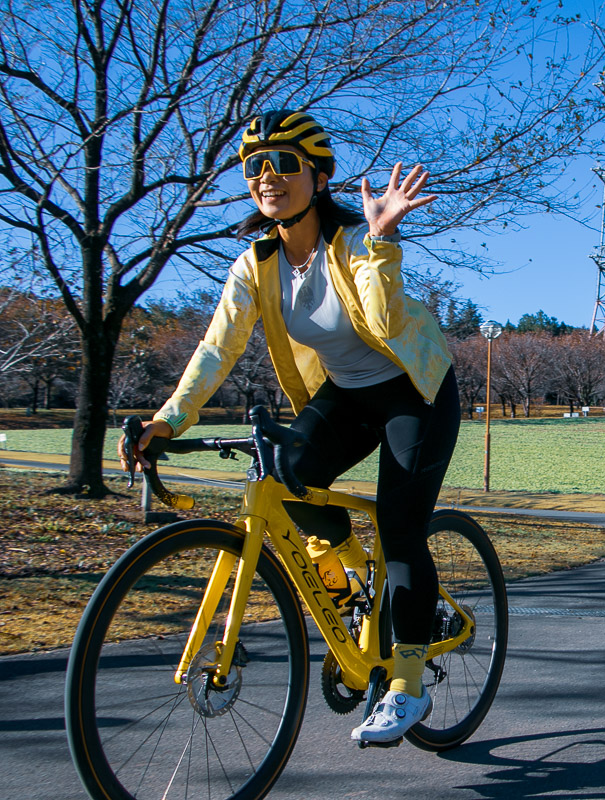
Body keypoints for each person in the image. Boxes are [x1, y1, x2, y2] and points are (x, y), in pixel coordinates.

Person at [118, 109, 457, 746]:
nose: (267, 177)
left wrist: (383, 242)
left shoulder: (355, 240)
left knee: (400, 521)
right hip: (349, 394)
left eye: (285, 164)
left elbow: (384, 324)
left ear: (320, 176)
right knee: (286, 472)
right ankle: (353, 573)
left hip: (415, 389)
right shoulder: (256, 264)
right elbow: (216, 348)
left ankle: (408, 685)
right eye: (255, 166)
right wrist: (168, 419)